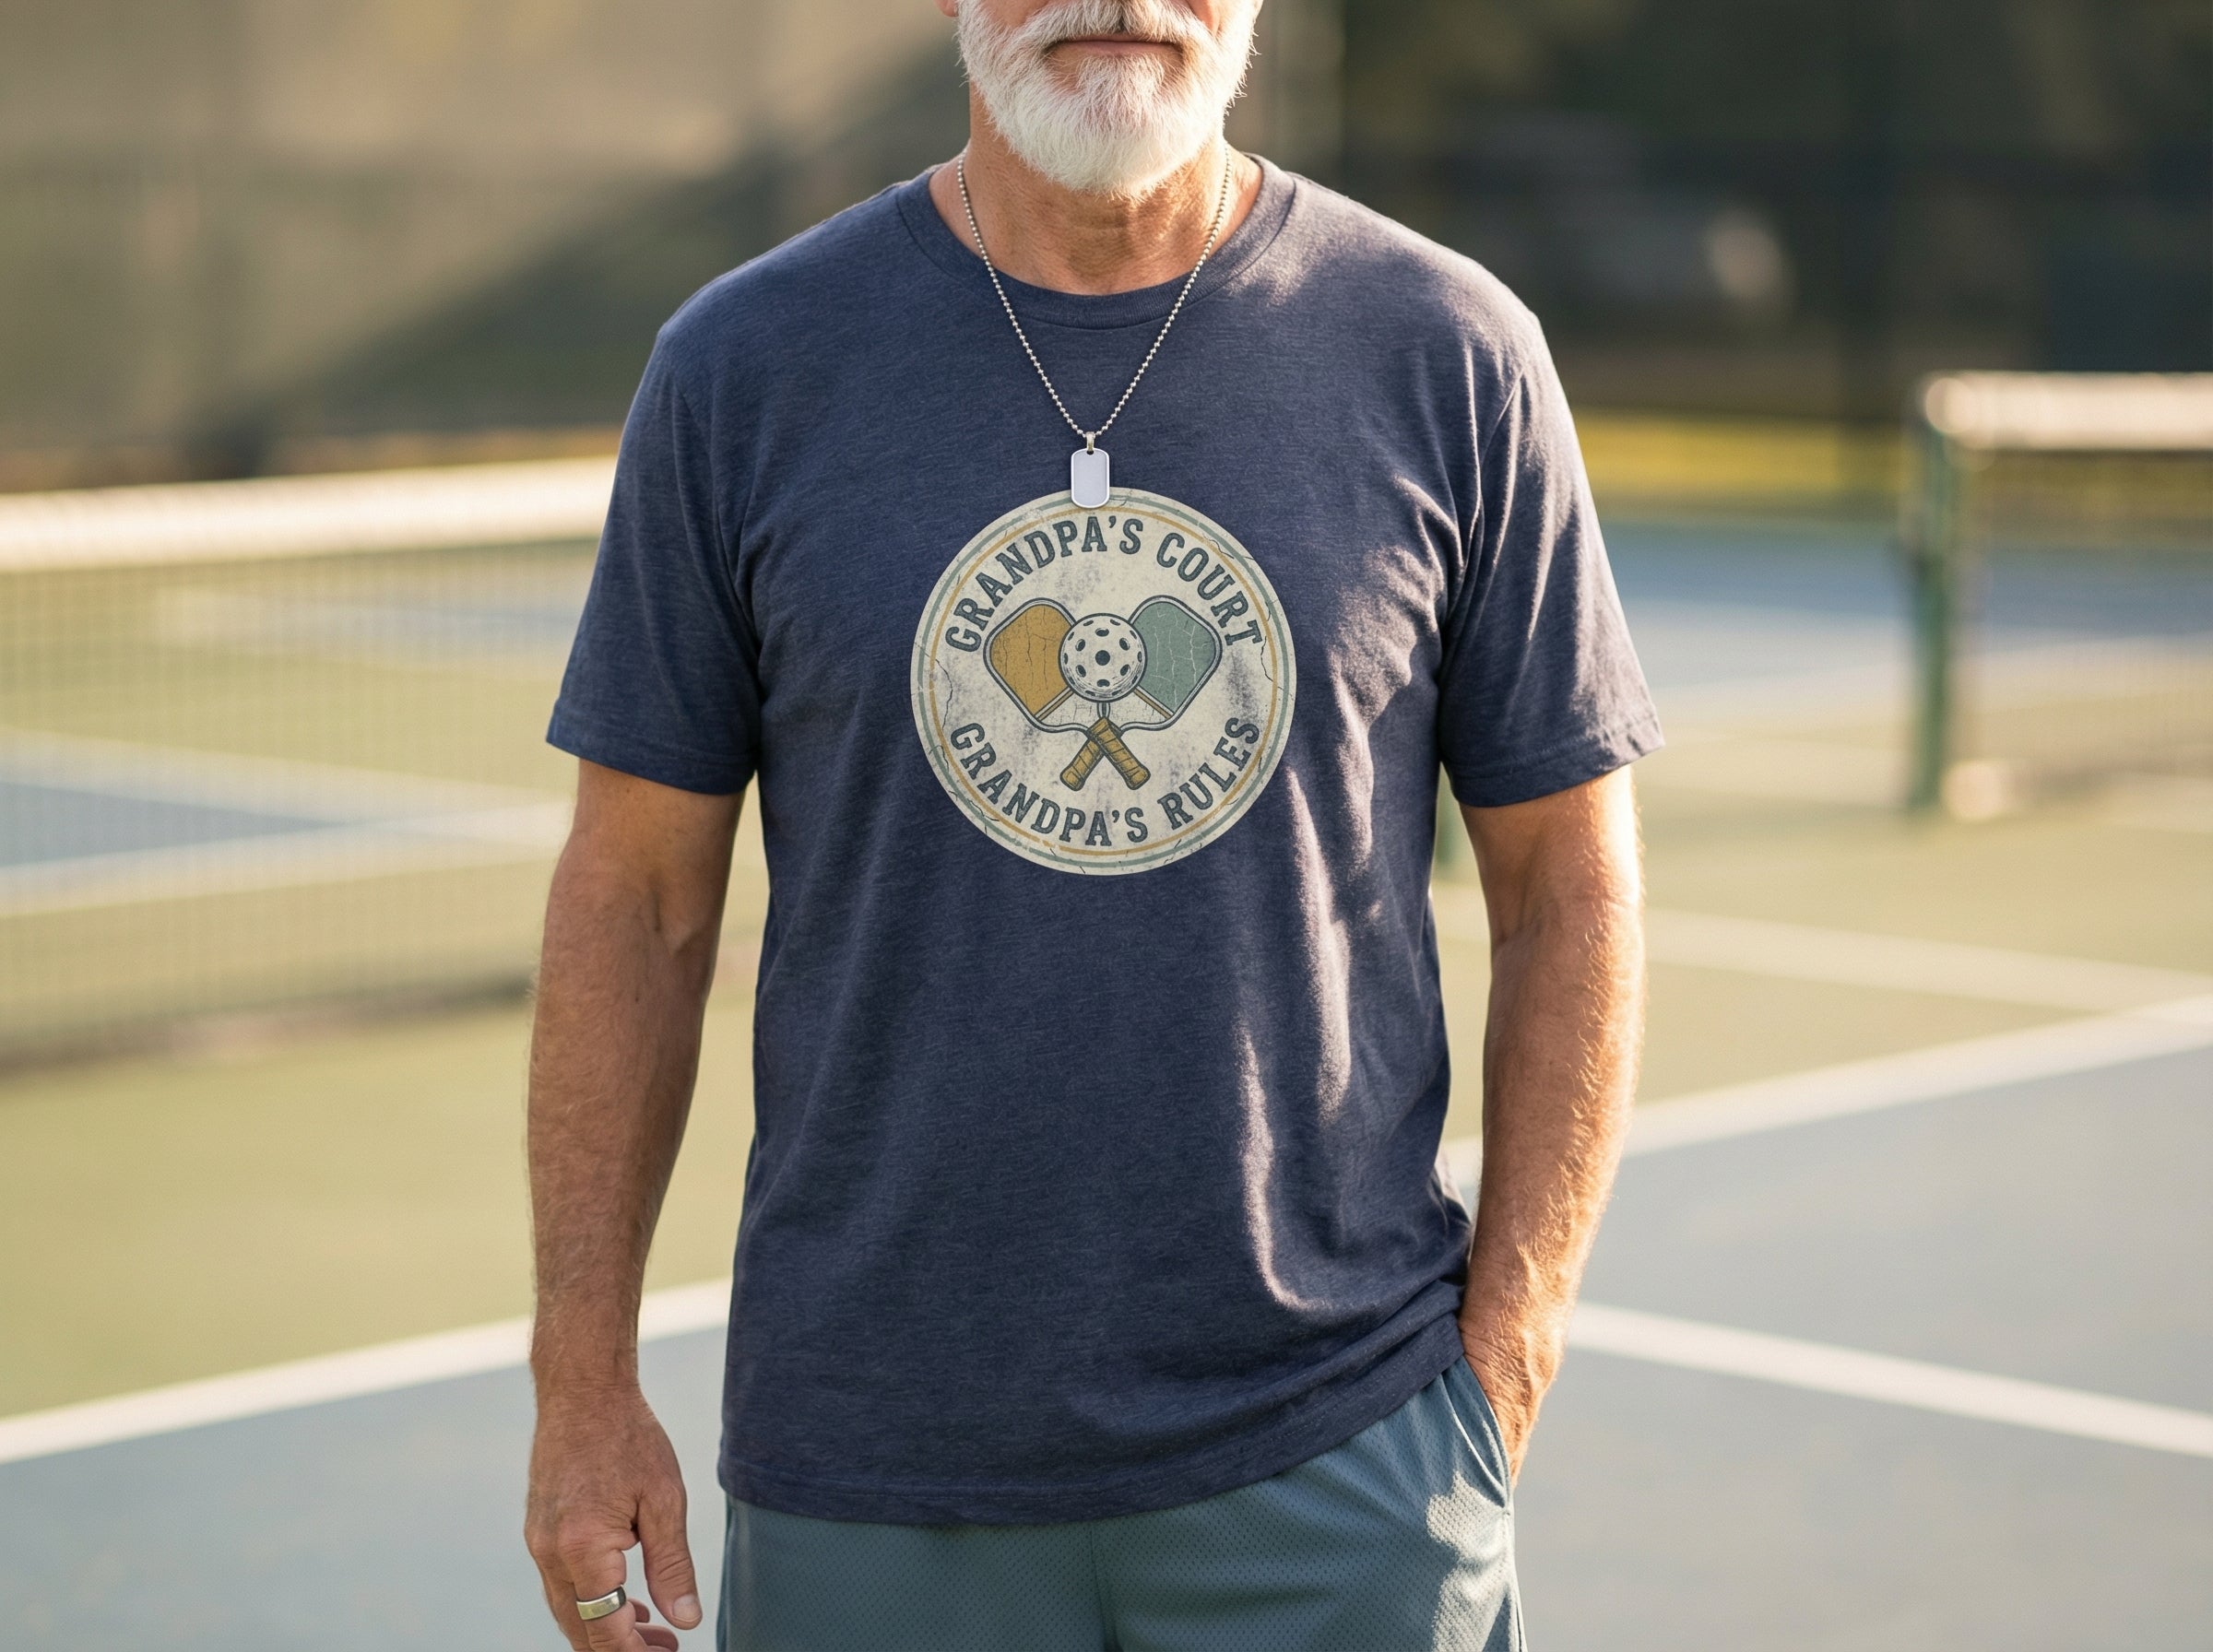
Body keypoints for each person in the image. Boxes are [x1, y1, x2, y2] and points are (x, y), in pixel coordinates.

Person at [523, 1, 1659, 1646]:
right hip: (868, 1472)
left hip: (1344, 1461)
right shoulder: (743, 367)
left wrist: (1503, 1372)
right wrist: (580, 1384)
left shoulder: (1452, 351)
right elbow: (634, 899)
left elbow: (1570, 888)